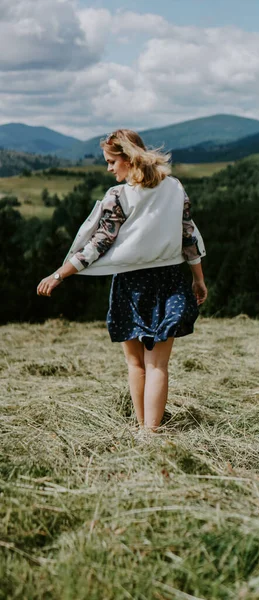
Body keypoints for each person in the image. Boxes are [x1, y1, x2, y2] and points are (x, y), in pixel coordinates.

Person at [37, 129, 207, 434]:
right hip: (170, 281)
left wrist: (59, 273)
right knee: (158, 365)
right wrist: (198, 279)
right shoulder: (175, 188)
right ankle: (149, 432)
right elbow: (188, 237)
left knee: (136, 364)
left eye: (111, 161)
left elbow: (98, 244)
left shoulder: (119, 197)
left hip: (131, 284)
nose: (108, 168)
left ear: (128, 159)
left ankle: (144, 429)